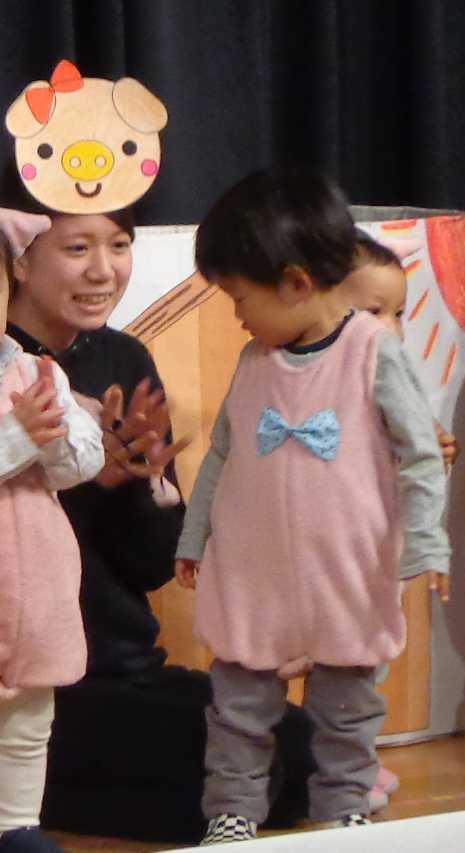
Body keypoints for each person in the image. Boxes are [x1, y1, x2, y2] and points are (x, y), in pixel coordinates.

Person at [0, 188, 316, 843]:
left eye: (119, 245)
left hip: (121, 665)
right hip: (36, 671)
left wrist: (134, 483)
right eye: (77, 247)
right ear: (21, 259)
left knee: (296, 743)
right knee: (216, 784)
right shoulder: (14, 369)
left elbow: (150, 567)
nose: (102, 270)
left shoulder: (122, 359)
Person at [174, 170, 451, 844]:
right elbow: (221, 456)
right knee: (237, 707)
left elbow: (420, 454)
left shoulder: (374, 353)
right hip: (255, 574)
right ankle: (232, 813)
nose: (238, 316)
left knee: (347, 707)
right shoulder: (252, 361)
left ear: (296, 283)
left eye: (240, 298)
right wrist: (194, 535)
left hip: (346, 573)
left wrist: (427, 541)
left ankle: (343, 808)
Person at [0, 217, 104, 853]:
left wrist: (56, 434)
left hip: (33, 585)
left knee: (27, 717)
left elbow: (78, 467)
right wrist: (17, 438)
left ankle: (15, 825)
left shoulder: (34, 371)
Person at [345, 230, 459, 469]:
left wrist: (431, 446)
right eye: (373, 312)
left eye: (398, 314)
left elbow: (415, 452)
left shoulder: (392, 380)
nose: (391, 329)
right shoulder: (317, 378)